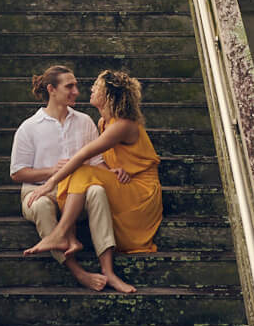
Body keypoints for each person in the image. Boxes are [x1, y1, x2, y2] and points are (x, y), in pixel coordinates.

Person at [23, 69, 161, 293]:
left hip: (141, 194)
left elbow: (82, 156)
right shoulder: (103, 123)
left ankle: (62, 234)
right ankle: (72, 241)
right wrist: (116, 171)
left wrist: (49, 183)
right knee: (87, 176)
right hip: (125, 184)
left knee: (81, 170)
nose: (89, 90)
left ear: (107, 95)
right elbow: (108, 161)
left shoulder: (122, 124)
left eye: (96, 87)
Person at [10, 64, 119, 292]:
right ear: (51, 89)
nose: (76, 91)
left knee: (98, 190)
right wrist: (52, 171)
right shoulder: (29, 127)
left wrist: (115, 172)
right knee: (40, 205)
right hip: (40, 191)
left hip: (76, 193)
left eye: (77, 86)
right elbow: (18, 172)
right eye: (69, 86)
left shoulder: (84, 121)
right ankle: (78, 272)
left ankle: (108, 269)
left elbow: (96, 163)